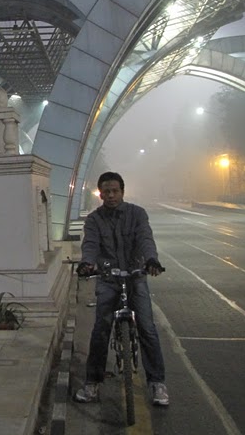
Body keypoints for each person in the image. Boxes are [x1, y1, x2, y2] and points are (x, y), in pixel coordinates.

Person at [74, 171, 170, 407]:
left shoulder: (137, 214)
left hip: (135, 275)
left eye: (115, 190)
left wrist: (151, 260)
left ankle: (157, 383)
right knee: (101, 329)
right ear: (100, 194)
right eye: (106, 191)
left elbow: (145, 238)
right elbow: (91, 244)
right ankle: (92, 383)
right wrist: (87, 263)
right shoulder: (94, 220)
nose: (111, 195)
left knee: (147, 327)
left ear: (122, 192)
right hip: (108, 278)